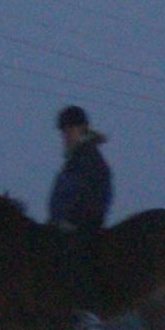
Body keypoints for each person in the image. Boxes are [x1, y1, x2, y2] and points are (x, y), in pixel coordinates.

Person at [48, 105, 113, 308]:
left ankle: (87, 309)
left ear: (82, 129)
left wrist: (74, 221)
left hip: (82, 226)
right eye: (64, 132)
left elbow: (96, 194)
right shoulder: (75, 158)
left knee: (75, 258)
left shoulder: (88, 157)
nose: (66, 136)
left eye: (70, 130)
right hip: (63, 224)